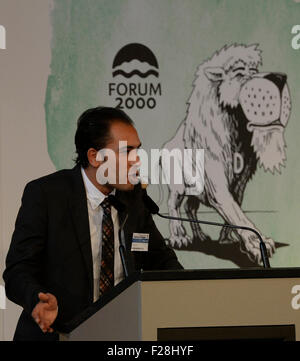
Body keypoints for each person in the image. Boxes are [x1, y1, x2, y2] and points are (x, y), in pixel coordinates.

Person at [3, 107, 183, 341]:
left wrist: (186, 291)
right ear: (94, 157)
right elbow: (18, 271)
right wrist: (37, 299)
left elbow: (161, 260)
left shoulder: (134, 199)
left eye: (137, 150)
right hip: (57, 335)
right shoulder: (47, 195)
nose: (136, 160)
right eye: (126, 151)